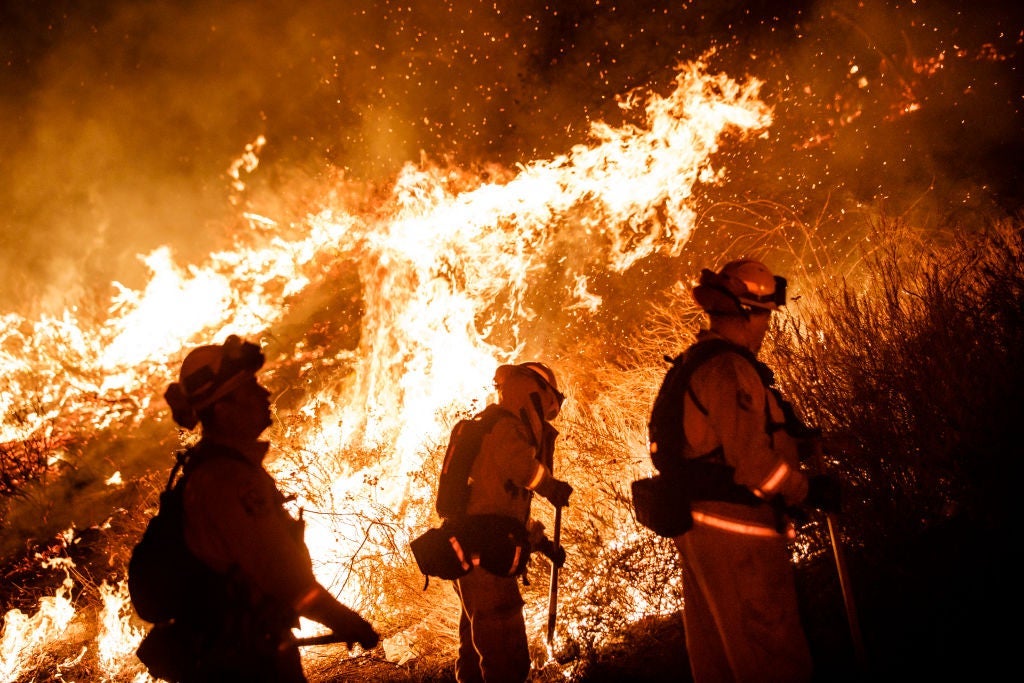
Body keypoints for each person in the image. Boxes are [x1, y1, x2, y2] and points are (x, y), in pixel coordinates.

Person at [660, 259, 841, 683]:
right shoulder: (729, 370)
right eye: (763, 315)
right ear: (744, 312)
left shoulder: (697, 362)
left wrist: (798, 441)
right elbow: (753, 463)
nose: (766, 326)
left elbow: (728, 443)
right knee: (772, 656)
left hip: (706, 533)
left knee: (721, 662)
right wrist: (806, 490)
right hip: (739, 536)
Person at [160, 334, 379, 682]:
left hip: (244, 653)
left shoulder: (226, 471)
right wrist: (343, 619)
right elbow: (278, 573)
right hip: (244, 664)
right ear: (223, 408)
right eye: (251, 388)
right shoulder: (227, 480)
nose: (264, 394)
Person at [452, 361, 574, 683]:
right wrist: (551, 486)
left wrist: (543, 544)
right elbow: (525, 470)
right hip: (486, 563)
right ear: (535, 391)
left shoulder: (495, 426)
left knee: (475, 651)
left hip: (474, 554)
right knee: (506, 656)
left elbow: (503, 508)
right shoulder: (506, 428)